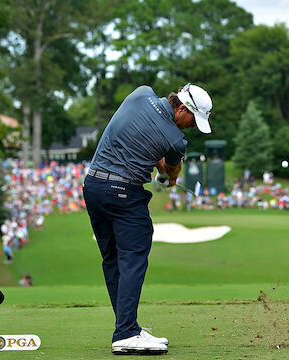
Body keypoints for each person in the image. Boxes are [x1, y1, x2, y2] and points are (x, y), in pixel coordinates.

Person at [83, 83, 213, 356]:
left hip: (93, 186)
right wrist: (167, 177)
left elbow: (140, 130)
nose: (191, 126)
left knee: (113, 259)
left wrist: (157, 162)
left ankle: (126, 326)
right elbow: (169, 171)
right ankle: (126, 334)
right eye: (193, 119)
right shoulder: (176, 141)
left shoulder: (141, 93)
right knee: (133, 257)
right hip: (123, 192)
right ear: (181, 108)